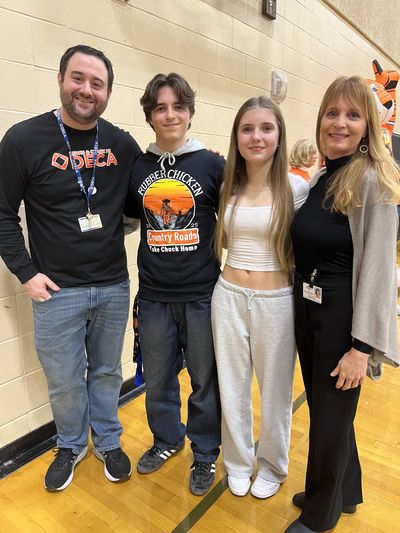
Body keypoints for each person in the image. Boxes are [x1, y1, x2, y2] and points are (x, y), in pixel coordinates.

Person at [0, 45, 142, 491]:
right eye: (78, 78)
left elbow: (151, 195)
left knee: (106, 372)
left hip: (113, 286)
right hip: (56, 290)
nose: (86, 90)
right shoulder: (24, 140)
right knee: (64, 380)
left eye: (97, 83)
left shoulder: (121, 144)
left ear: (108, 92)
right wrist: (25, 272)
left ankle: (108, 441)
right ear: (60, 79)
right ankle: (70, 444)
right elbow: (2, 212)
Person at [287, 76, 400, 532]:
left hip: (341, 318)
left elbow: (378, 270)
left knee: (330, 419)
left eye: (352, 115)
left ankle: (320, 515)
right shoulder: (323, 176)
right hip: (308, 308)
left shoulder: (373, 179)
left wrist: (361, 345)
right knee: (328, 411)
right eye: (332, 113)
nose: (340, 123)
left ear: (368, 124)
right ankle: (344, 490)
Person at [127, 73, 224, 496]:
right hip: (153, 297)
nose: (170, 115)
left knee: (205, 379)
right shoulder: (139, 168)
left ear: (189, 113)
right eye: (160, 108)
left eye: (177, 107)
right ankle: (167, 440)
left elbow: (234, 223)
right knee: (159, 379)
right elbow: (133, 220)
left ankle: (205, 453)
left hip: (202, 294)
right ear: (150, 116)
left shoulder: (212, 164)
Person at [211, 96, 309, 498]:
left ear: (279, 135)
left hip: (277, 302)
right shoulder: (226, 186)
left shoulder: (298, 187)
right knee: (231, 385)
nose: (256, 136)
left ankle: (272, 464)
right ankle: (236, 460)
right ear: (236, 138)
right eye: (247, 129)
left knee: (275, 392)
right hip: (229, 295)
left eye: (266, 128)